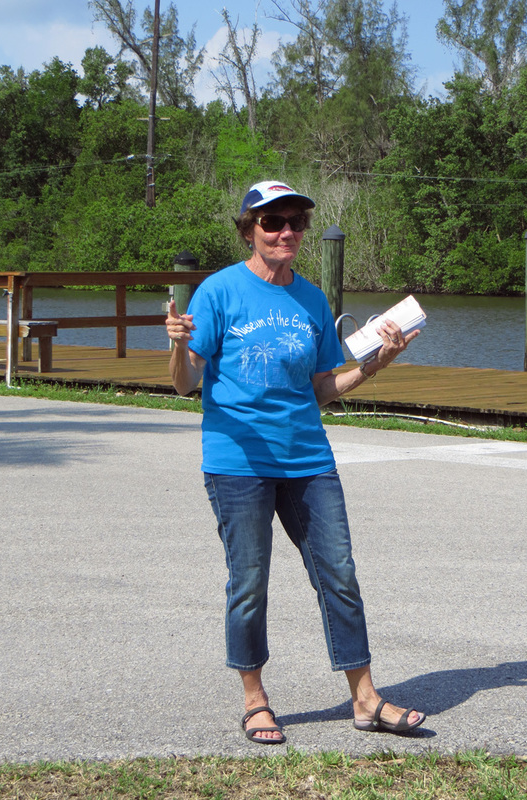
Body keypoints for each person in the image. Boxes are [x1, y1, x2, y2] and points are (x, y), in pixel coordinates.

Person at [165, 180, 425, 745]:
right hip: (238, 462)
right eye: (272, 222)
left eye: (296, 222)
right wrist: (180, 346)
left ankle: (365, 697)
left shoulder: (310, 299)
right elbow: (186, 384)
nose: (286, 232)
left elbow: (323, 388)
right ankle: (255, 700)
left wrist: (378, 361)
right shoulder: (218, 291)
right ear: (248, 230)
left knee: (340, 576)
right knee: (249, 582)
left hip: (308, 457)